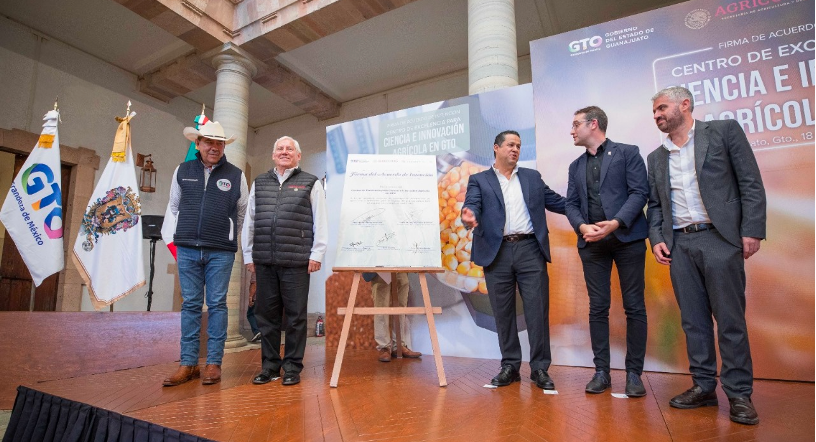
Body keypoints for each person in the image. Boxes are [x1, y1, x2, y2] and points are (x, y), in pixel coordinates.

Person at [647, 86, 766, 425]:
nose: (657, 116)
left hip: (720, 238)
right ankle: (702, 386)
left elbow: (750, 182)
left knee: (730, 320)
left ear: (685, 104)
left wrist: (752, 229)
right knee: (693, 322)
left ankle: (739, 393)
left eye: (662, 108)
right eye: (654, 112)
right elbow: (655, 205)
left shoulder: (724, 131)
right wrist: (656, 237)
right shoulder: (656, 157)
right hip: (680, 245)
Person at [461, 130, 566, 389]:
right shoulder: (479, 180)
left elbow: (557, 202)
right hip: (497, 252)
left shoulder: (532, 177)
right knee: (503, 312)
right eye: (510, 145)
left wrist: (588, 208)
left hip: (530, 249)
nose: (515, 149)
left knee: (536, 311)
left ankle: (540, 369)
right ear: (496, 148)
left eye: (518, 145)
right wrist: (469, 215)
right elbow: (472, 204)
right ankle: (510, 366)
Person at [565, 106, 649, 396]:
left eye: (576, 124)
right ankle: (601, 372)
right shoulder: (575, 166)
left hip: (628, 238)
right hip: (592, 245)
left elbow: (640, 193)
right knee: (597, 307)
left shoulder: (628, 153)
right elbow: (571, 204)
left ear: (594, 124)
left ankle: (634, 374)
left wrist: (615, 223)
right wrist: (581, 227)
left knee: (634, 306)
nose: (572, 130)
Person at [162, 120, 249, 387]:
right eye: (208, 142)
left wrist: (233, 237)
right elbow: (174, 207)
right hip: (187, 249)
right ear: (197, 144)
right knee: (189, 305)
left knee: (217, 305)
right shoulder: (182, 170)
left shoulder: (236, 175)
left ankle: (213, 363)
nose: (214, 147)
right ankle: (188, 364)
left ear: (224, 147)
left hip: (220, 252)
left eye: (219, 143)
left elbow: (243, 212)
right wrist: (178, 237)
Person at [243, 136, 328, 386]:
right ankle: (269, 366)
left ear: (298, 156)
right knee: (266, 317)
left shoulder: (310, 183)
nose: (284, 152)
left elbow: (319, 221)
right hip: (265, 261)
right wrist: (249, 254)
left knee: (295, 317)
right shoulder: (259, 183)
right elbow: (249, 220)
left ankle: (292, 367)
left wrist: (317, 254)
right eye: (279, 148)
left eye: (289, 149)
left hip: (297, 261)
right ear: (273, 155)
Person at [362, 272, 421, 362]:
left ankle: (398, 345)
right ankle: (384, 347)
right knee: (381, 307)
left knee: (401, 306)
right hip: (380, 267)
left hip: (400, 265)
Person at [247, 271, 261, 343]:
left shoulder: (255, 272)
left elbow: (254, 284)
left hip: (256, 298)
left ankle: (257, 331)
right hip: (265, 298)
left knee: (250, 314)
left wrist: (250, 297)